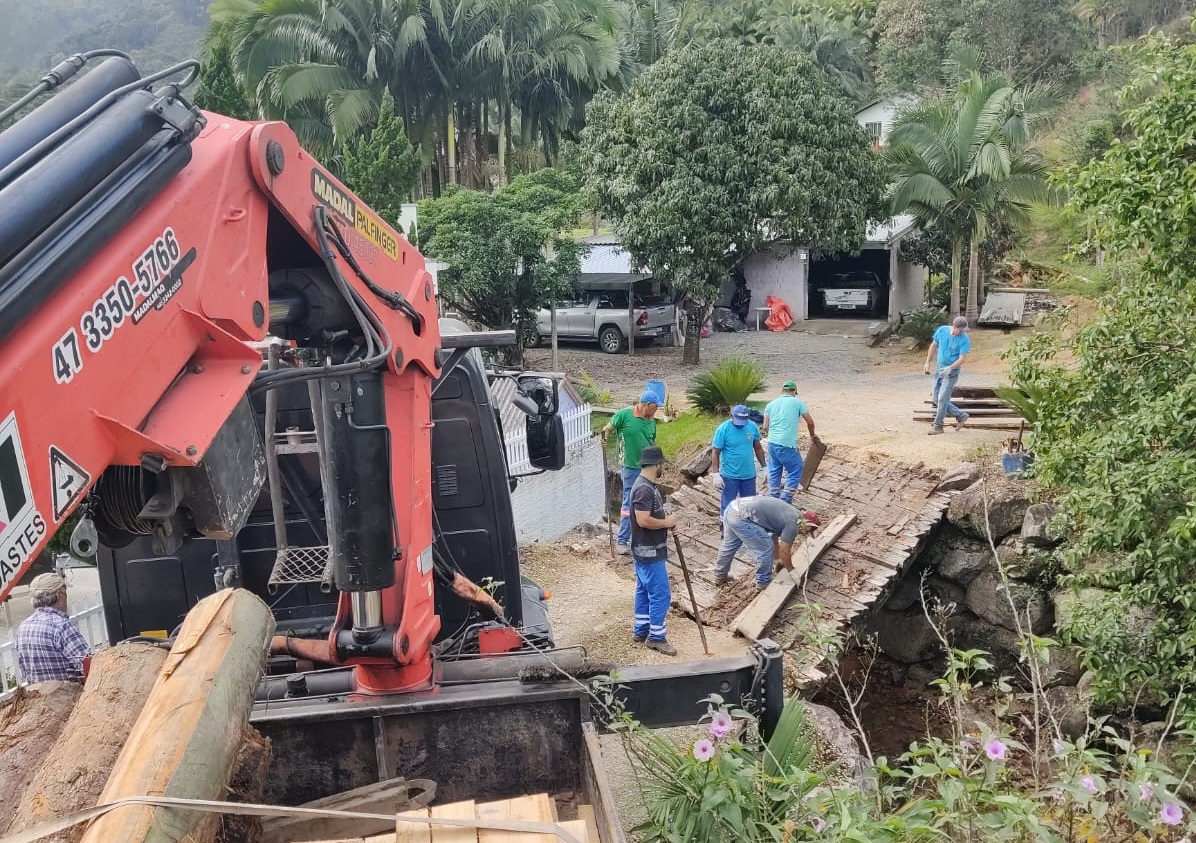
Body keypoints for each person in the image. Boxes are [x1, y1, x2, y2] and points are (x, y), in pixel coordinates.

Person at [629, 446, 677, 655]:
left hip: (644, 549)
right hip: (648, 550)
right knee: (660, 593)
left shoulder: (648, 486)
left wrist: (666, 521)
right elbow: (643, 520)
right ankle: (656, 637)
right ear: (656, 464)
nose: (662, 468)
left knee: (643, 590)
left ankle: (641, 629)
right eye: (662, 465)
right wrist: (666, 522)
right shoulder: (644, 489)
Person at [603, 390, 661, 555]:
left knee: (648, 500)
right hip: (630, 466)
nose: (657, 410)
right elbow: (607, 428)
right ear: (648, 405)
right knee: (629, 503)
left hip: (647, 467)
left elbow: (652, 441)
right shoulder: (624, 414)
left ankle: (643, 536)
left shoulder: (651, 422)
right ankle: (622, 540)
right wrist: (604, 437)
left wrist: (657, 462)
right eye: (655, 407)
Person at [713, 496, 816, 589]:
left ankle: (720, 576)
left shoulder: (792, 515)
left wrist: (777, 560)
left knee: (730, 545)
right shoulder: (793, 524)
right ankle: (763, 581)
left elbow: (773, 536)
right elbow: (784, 551)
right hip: (742, 517)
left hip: (733, 508)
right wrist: (792, 571)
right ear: (807, 523)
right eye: (809, 529)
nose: (806, 532)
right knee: (765, 548)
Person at [15, 572, 90, 684]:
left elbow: (24, 672)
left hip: (39, 698)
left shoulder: (22, 628)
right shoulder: (62, 626)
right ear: (59, 594)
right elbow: (88, 667)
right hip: (70, 697)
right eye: (65, 594)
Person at [761, 381, 816, 503]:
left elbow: (765, 426)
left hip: (772, 443)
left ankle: (773, 498)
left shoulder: (770, 404)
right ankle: (785, 500)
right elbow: (810, 422)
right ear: (795, 392)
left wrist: (774, 435)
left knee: (775, 470)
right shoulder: (798, 402)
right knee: (796, 469)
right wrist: (812, 436)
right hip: (786, 443)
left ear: (782, 391)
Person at [710, 405, 766, 516]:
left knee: (749, 506)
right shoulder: (723, 429)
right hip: (729, 476)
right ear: (731, 416)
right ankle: (725, 530)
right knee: (728, 505)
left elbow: (758, 448)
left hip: (748, 475)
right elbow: (716, 452)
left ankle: (747, 529)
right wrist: (716, 474)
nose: (740, 424)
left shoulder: (752, 427)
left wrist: (765, 467)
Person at [923, 316, 972, 435]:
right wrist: (928, 362)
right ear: (954, 327)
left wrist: (950, 368)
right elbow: (934, 345)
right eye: (960, 330)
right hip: (939, 371)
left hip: (951, 374)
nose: (962, 333)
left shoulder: (964, 339)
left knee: (942, 399)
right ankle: (960, 415)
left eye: (963, 331)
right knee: (936, 398)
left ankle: (938, 426)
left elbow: (962, 359)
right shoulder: (942, 331)